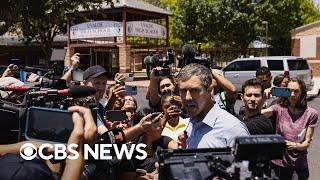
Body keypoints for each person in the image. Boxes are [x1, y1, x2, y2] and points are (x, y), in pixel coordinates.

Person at [176, 63, 250, 149]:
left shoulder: (232, 128)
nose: (187, 97)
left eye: (195, 90)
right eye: (183, 91)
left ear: (210, 90)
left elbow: (247, 162)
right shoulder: (189, 125)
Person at [262, 78, 318, 180]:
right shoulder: (279, 108)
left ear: (302, 93)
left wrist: (295, 145)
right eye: (289, 91)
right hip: (278, 163)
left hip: (298, 165)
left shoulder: (311, 113)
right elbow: (259, 114)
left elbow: (306, 143)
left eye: (296, 91)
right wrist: (264, 97)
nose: (292, 94)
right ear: (284, 91)